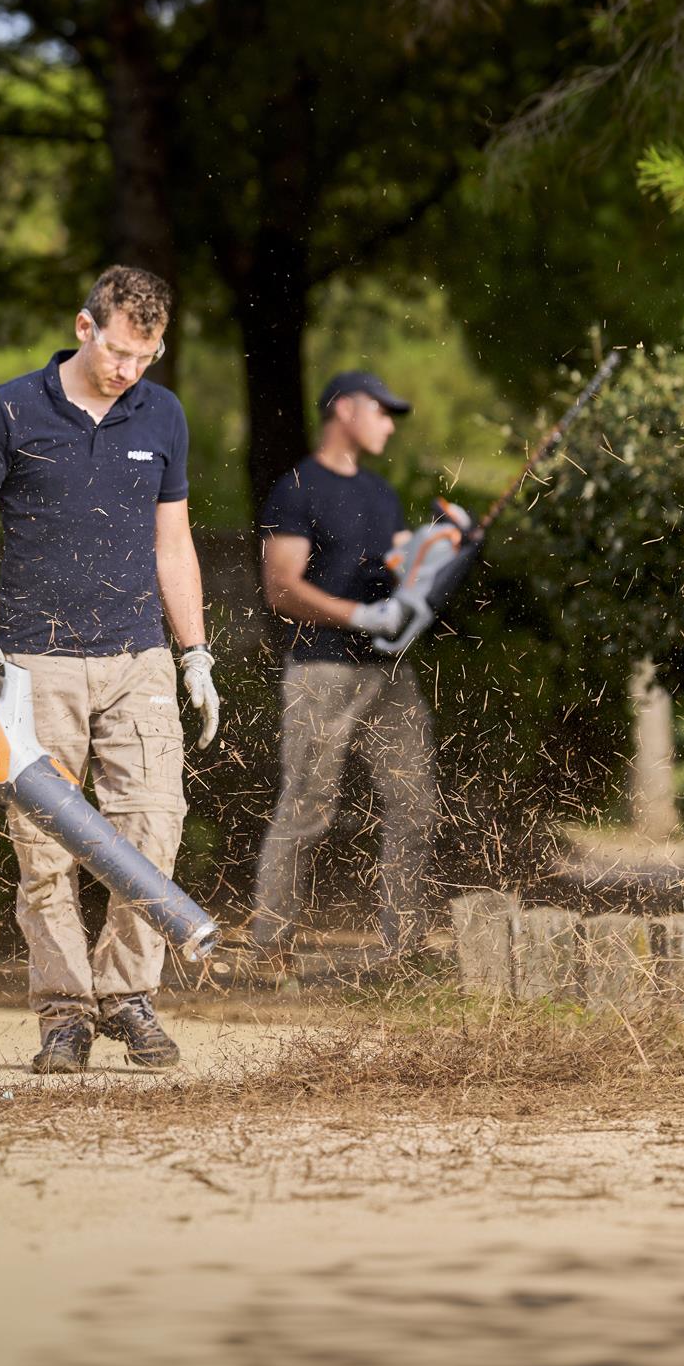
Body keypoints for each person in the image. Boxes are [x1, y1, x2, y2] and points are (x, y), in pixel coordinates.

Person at [0, 265, 219, 1074]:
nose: (129, 370)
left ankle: (127, 996)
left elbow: (173, 543)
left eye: (146, 358)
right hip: (35, 661)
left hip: (138, 657)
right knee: (45, 849)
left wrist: (194, 652)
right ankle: (64, 1014)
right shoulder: (13, 408)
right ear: (85, 328)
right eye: (119, 352)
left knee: (153, 828)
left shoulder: (162, 414)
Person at [249, 369, 440, 962]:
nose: (389, 425)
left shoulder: (382, 494)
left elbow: (401, 571)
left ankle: (403, 948)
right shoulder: (297, 488)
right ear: (346, 409)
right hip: (321, 669)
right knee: (307, 809)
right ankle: (270, 947)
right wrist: (358, 615)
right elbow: (281, 588)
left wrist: (438, 554)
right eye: (381, 412)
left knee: (416, 804)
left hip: (389, 671)